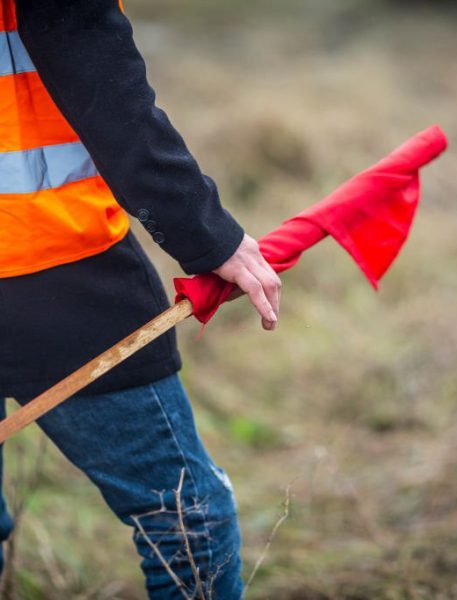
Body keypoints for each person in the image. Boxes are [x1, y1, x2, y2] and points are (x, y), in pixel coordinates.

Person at [0, 0, 282, 597]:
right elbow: (84, 44)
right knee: (185, 517)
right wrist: (205, 234)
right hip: (41, 263)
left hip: (35, 262)